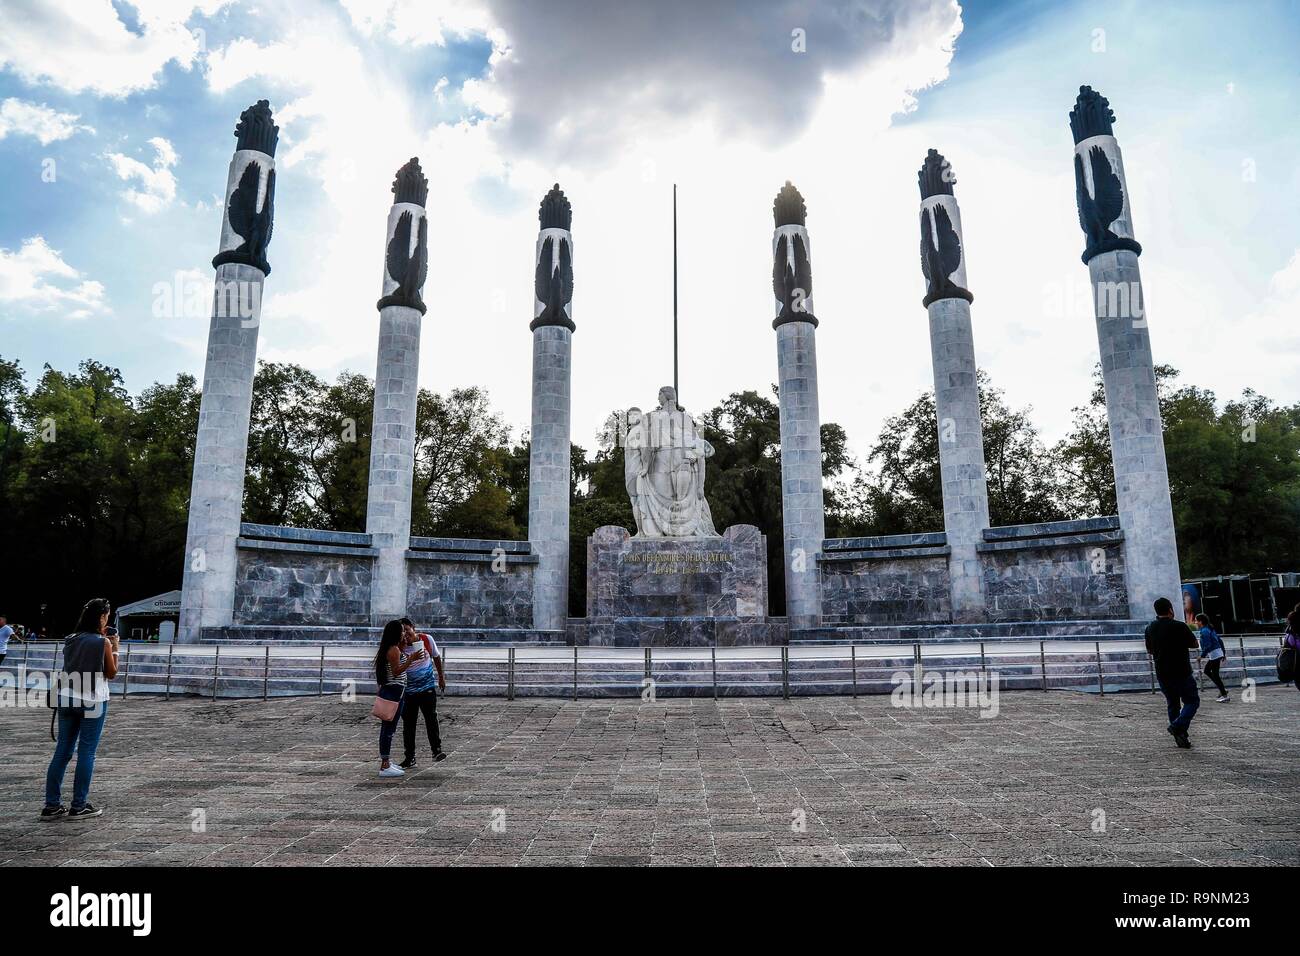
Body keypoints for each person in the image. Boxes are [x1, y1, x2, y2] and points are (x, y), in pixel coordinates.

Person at [41, 598, 118, 820]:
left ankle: (51, 805)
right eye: (107, 615)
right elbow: (111, 673)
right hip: (93, 699)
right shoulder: (102, 642)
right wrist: (116, 649)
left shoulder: (70, 639)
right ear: (102, 617)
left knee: (62, 751)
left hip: (66, 698)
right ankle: (79, 805)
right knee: (86, 752)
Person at [1144, 596, 1200, 749]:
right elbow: (1195, 644)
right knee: (1192, 701)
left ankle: (1180, 736)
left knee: (1172, 704)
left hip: (1162, 672)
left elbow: (1149, 650)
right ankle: (1177, 726)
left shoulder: (1150, 628)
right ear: (1170, 610)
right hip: (1181, 671)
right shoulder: (1179, 626)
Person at [373, 619, 424, 778]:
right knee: (388, 729)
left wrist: (407, 644)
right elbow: (396, 671)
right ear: (395, 633)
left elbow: (399, 660)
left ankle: (386, 762)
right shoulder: (393, 650)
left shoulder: (395, 648)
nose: (404, 633)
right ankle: (385, 764)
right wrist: (411, 659)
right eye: (402, 631)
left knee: (390, 728)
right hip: (394, 692)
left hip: (396, 692)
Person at [398, 618, 446, 769]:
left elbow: (436, 657)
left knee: (431, 718)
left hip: (427, 688)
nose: (405, 633)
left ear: (413, 627)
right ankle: (410, 757)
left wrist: (441, 677)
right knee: (409, 725)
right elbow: (397, 667)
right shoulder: (400, 647)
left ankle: (436, 750)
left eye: (407, 629)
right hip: (409, 691)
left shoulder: (426, 639)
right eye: (402, 631)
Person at [1195, 613, 1229, 702]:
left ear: (1200, 621)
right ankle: (1222, 690)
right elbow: (1219, 640)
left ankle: (1224, 695)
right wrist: (1223, 653)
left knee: (1215, 675)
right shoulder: (1209, 629)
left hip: (1214, 654)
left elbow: (1208, 645)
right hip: (1217, 653)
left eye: (1196, 621)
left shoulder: (1204, 631)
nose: (1195, 623)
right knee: (1208, 671)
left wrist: (1201, 656)